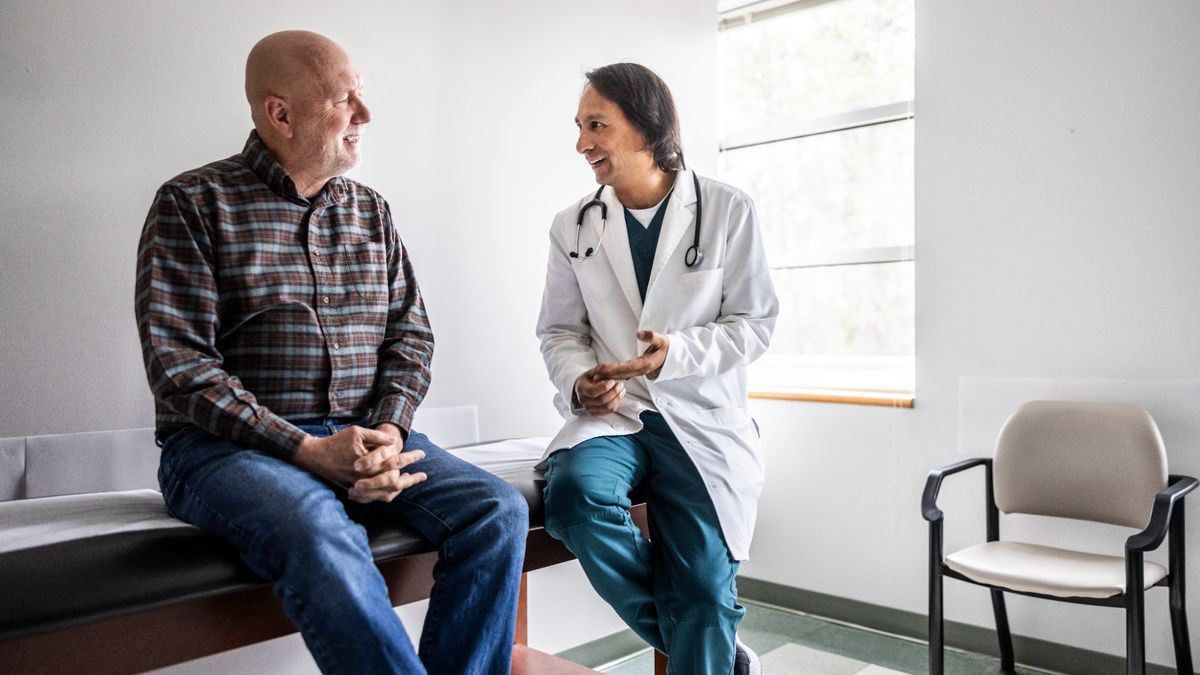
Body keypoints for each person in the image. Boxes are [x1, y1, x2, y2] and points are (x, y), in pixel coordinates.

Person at [135, 30, 527, 675]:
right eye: (344, 99)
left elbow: (411, 337)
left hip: (366, 434)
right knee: (322, 533)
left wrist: (389, 431)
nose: (364, 116)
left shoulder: (372, 212)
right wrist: (309, 452)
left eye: (361, 97)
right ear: (279, 113)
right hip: (224, 451)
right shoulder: (192, 203)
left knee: (497, 510)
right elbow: (181, 369)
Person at [536, 63, 779, 675]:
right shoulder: (573, 225)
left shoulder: (727, 209)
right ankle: (713, 645)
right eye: (580, 125)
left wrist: (677, 353)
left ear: (647, 127)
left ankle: (709, 639)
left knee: (701, 587)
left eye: (597, 125)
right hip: (620, 416)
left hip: (700, 417)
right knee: (573, 498)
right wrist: (579, 381)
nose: (582, 142)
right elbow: (561, 330)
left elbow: (756, 323)